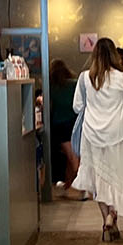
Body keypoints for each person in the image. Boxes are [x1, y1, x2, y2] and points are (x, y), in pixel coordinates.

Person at [72, 38, 123, 240]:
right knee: (118, 178)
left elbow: (77, 107)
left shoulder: (85, 77)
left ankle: (106, 219)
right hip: (117, 134)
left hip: (91, 135)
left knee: (99, 180)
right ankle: (113, 214)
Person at [48, 58, 79, 190]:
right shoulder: (75, 84)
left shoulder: (51, 87)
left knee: (72, 158)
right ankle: (68, 186)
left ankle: (82, 188)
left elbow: (49, 106)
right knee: (72, 157)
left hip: (60, 126)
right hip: (74, 123)